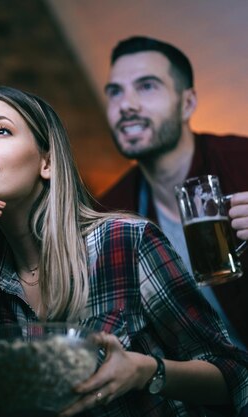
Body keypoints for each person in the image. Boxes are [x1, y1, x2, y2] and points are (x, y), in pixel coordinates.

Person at [0, 86, 248, 417]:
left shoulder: (124, 241)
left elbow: (234, 374)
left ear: (47, 163)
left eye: (1, 131)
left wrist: (146, 370)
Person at [98, 36, 248, 349]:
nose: (126, 105)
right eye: (115, 92)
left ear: (187, 103)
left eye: (147, 86)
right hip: (207, 392)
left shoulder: (241, 159)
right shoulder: (111, 211)